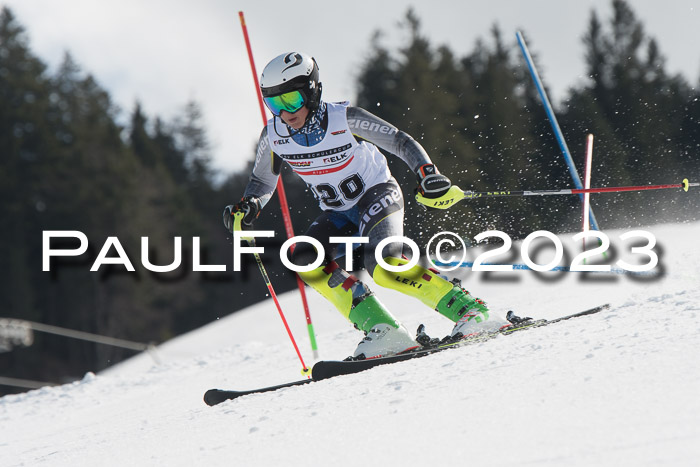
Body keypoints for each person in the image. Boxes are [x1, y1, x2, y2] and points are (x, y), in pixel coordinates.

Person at [223, 52, 508, 359]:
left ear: (312, 90)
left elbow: (400, 141)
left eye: (291, 100)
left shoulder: (344, 119)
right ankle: (384, 331)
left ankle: (470, 311)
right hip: (339, 212)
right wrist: (250, 204)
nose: (285, 113)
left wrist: (427, 174)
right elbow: (262, 182)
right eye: (274, 104)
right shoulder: (274, 137)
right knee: (305, 258)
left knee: (383, 266)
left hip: (377, 193)